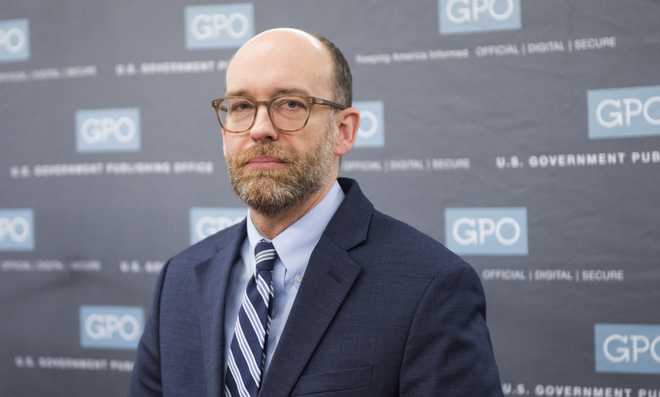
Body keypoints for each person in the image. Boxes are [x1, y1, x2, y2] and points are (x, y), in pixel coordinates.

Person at [130, 28, 503, 397]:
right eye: (242, 106)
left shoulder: (430, 287)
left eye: (291, 104)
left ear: (344, 130)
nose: (260, 129)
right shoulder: (180, 279)